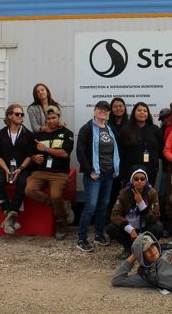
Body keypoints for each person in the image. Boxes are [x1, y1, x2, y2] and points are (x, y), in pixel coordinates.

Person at [76, 101, 120, 252]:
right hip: (94, 175)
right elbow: (80, 152)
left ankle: (99, 235)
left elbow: (114, 151)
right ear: (94, 111)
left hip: (108, 174)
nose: (103, 111)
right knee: (91, 206)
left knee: (103, 206)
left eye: (106, 110)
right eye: (100, 109)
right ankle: (81, 238)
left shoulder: (110, 129)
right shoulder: (87, 128)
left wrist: (115, 168)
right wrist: (90, 171)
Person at [25, 105, 74, 241]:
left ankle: (61, 222)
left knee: (55, 195)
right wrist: (35, 157)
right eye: (48, 118)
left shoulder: (67, 133)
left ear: (59, 118)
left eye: (54, 118)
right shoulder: (39, 135)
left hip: (59, 173)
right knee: (29, 190)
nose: (51, 121)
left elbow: (64, 153)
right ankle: (60, 206)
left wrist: (45, 149)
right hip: (40, 171)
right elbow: (31, 153)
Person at [0, 104, 34, 234]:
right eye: (17, 114)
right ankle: (9, 214)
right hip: (4, 167)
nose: (20, 116)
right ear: (9, 116)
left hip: (22, 168)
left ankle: (11, 215)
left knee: (22, 182)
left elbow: (29, 156)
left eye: (22, 114)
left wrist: (19, 169)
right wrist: (6, 170)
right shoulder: (0, 134)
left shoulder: (28, 134)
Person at [105, 166, 163, 259]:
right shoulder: (124, 192)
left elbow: (155, 217)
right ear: (132, 181)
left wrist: (141, 204)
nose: (139, 181)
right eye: (136, 179)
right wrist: (130, 229)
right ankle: (129, 248)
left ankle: (144, 246)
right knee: (110, 228)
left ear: (146, 180)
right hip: (129, 229)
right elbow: (114, 215)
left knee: (158, 229)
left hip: (144, 228)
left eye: (142, 179)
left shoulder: (152, 193)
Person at [119, 102, 164, 186]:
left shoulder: (155, 130)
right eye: (139, 110)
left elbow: (161, 149)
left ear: (148, 114)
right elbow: (121, 153)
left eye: (145, 111)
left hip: (151, 170)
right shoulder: (126, 130)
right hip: (130, 171)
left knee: (148, 196)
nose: (142, 112)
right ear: (134, 113)